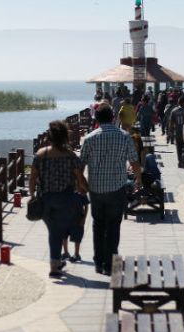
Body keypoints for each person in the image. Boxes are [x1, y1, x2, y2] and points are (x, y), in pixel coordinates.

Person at [80, 103, 142, 275]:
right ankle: (110, 263)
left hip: (96, 189)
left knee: (98, 225)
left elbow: (79, 166)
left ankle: (98, 262)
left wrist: (83, 184)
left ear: (96, 119)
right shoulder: (124, 136)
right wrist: (139, 179)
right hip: (117, 188)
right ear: (113, 117)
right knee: (114, 226)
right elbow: (134, 162)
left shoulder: (89, 138)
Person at [29, 120, 89, 277]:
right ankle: (55, 264)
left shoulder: (41, 155)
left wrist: (32, 195)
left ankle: (55, 262)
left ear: (49, 136)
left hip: (46, 200)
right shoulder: (70, 155)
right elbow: (79, 178)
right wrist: (86, 189)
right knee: (60, 230)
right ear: (64, 137)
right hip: (66, 200)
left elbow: (33, 178)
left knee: (53, 231)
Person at [61, 191, 90, 262]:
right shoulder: (64, 189)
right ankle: (66, 252)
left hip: (78, 218)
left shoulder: (81, 191)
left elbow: (86, 205)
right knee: (63, 235)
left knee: (77, 237)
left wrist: (84, 218)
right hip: (65, 217)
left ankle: (76, 254)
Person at [168, 96, 184, 168]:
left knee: (179, 148)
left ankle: (180, 162)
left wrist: (170, 132)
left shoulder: (174, 111)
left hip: (177, 132)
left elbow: (171, 123)